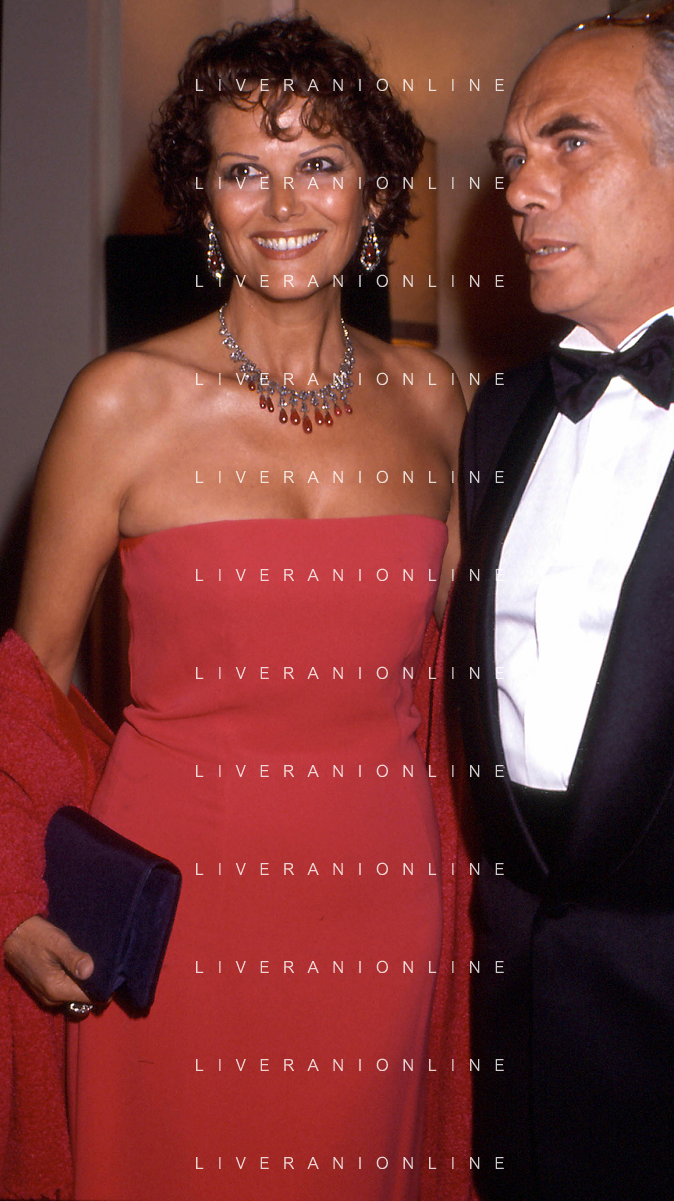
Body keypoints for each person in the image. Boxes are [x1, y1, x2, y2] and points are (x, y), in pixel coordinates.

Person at [1, 15, 466, 1200]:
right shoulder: (121, 402)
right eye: (242, 169)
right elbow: (27, 680)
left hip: (381, 903)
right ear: (201, 199)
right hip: (176, 906)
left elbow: (466, 676)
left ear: (373, 191)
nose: (281, 202)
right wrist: (14, 892)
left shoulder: (435, 398)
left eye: (319, 162)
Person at [449, 6, 674, 1200]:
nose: (519, 190)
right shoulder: (497, 417)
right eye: (511, 159)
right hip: (521, 1064)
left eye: (568, 143)